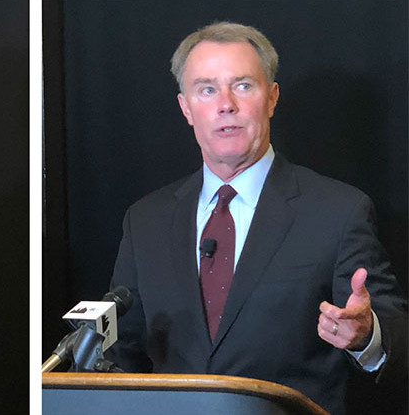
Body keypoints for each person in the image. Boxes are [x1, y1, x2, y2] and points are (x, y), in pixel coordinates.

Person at [107, 22, 407, 415]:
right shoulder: (145, 220)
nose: (225, 103)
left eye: (243, 85)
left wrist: (367, 335)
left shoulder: (338, 211)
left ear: (272, 98)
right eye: (207, 89)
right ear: (186, 108)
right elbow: (120, 351)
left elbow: (396, 334)